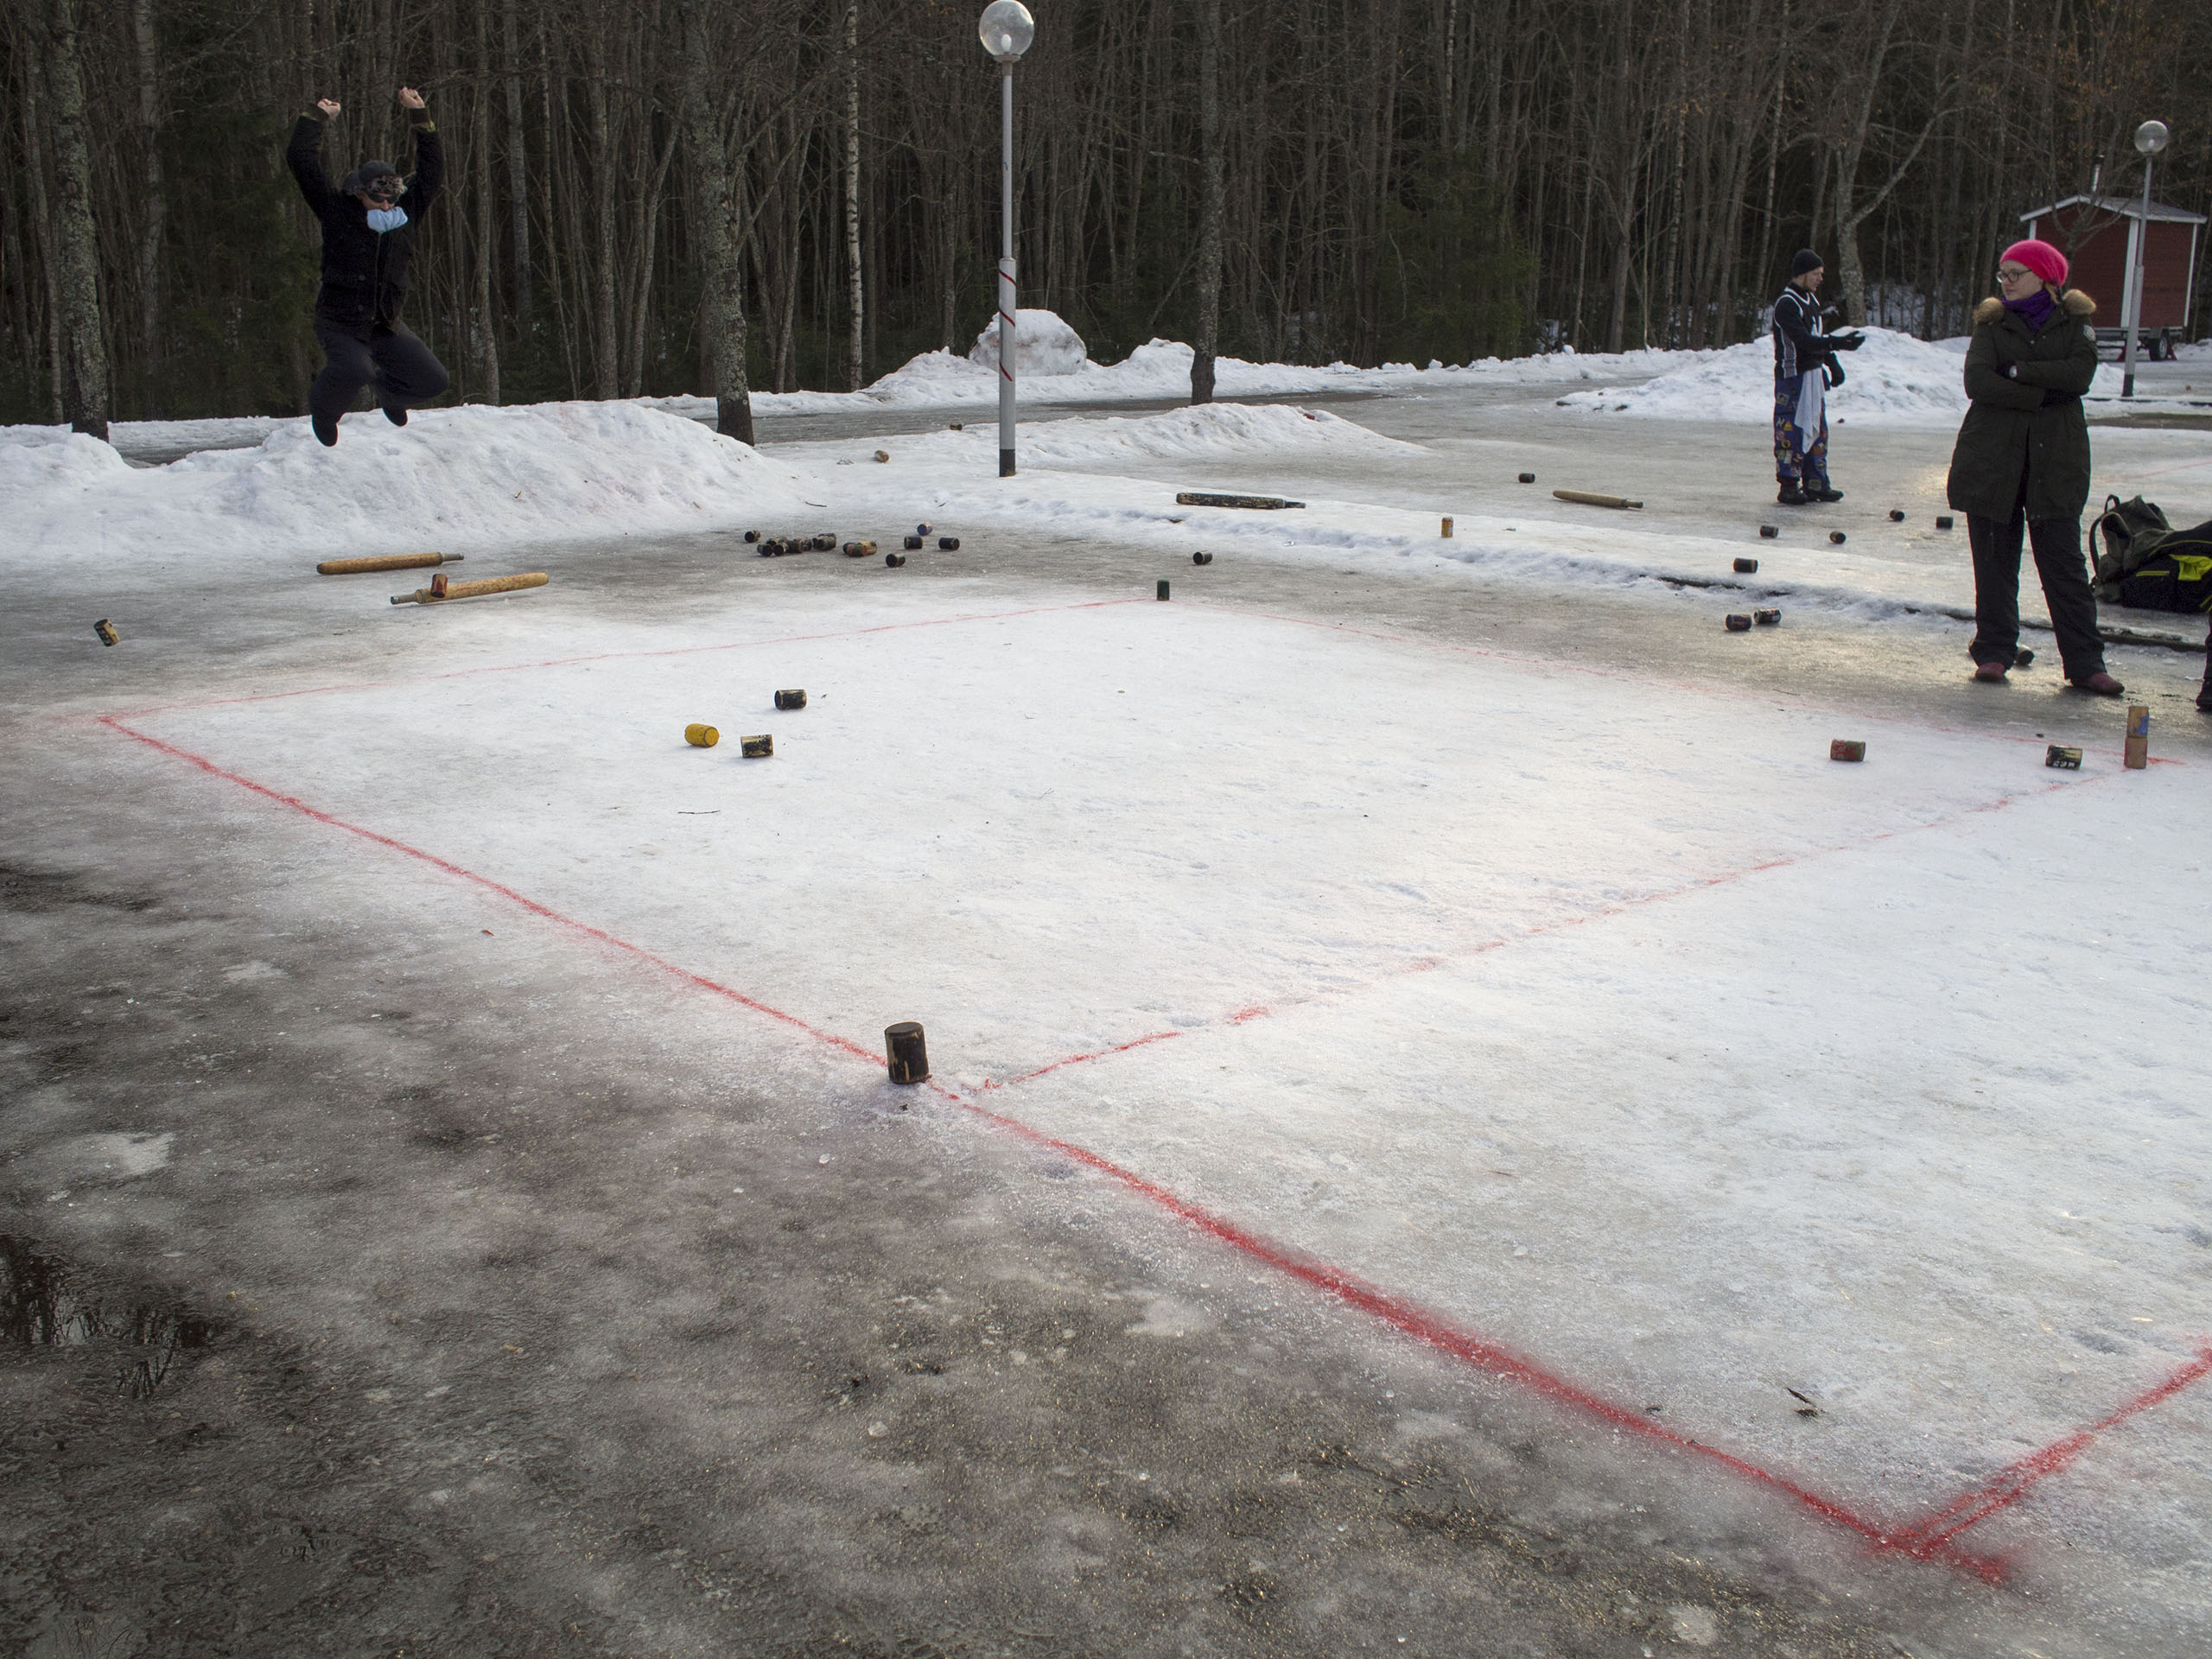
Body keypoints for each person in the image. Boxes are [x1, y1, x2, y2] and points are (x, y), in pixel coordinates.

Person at [1945, 239, 2123, 694]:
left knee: (2064, 567)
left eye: (2015, 274)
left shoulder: (2075, 322)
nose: (2006, 282)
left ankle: (2086, 663)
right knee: (1994, 565)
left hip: (2055, 461)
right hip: (1993, 461)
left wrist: (2017, 372)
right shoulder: (1991, 323)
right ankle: (1993, 651)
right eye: (2002, 274)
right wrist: (2043, 393)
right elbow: (1977, 381)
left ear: (2045, 278)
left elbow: (2078, 376)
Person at [286, 87, 448, 448]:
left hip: (385, 325)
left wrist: (420, 116)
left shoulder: (405, 217)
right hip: (340, 323)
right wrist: (316, 118)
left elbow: (432, 171)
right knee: (355, 369)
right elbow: (302, 162)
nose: (386, 205)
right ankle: (323, 413)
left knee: (433, 380)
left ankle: (390, 394)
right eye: (378, 198)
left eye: (391, 198)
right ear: (359, 192)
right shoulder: (337, 213)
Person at [1770, 250, 1862, 506]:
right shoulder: (1787, 304)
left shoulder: (1810, 299)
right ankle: (1789, 485)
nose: (1820, 278)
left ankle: (1815, 482)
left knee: (1817, 431)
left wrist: (1832, 362)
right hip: (1793, 377)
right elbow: (1803, 340)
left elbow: (1817, 336)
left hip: (1813, 375)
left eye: (1821, 273)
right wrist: (1837, 343)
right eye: (1816, 274)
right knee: (1792, 430)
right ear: (1802, 274)